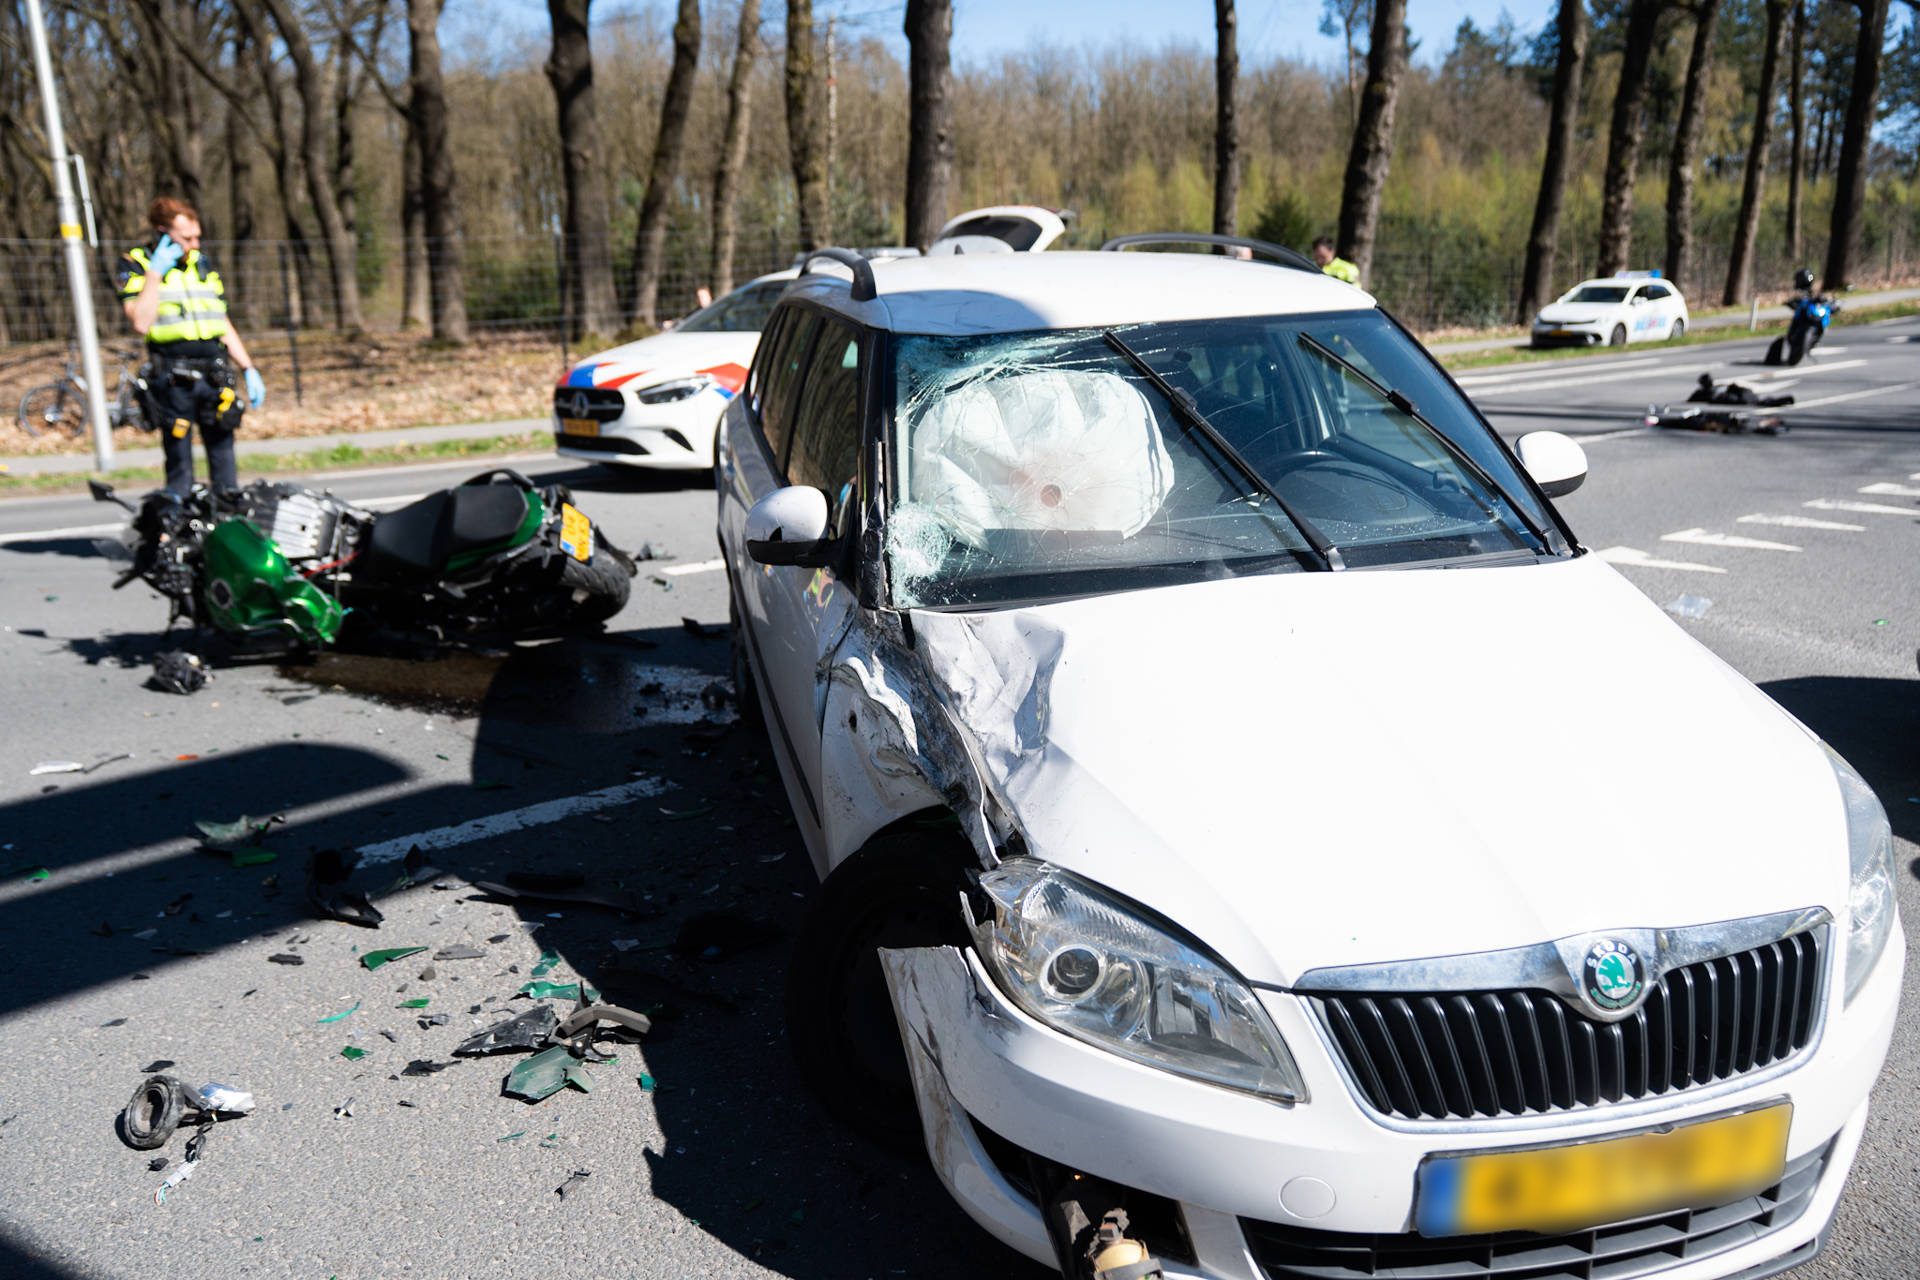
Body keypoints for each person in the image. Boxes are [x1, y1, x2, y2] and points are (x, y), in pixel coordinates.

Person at [117, 196, 266, 495]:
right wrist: (155, 273)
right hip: (173, 378)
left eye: (197, 237)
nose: (194, 244)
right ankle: (179, 516)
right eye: (186, 238)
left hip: (214, 373)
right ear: (162, 233)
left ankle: (226, 511)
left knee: (224, 455)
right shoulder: (137, 263)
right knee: (179, 464)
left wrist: (248, 367)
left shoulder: (202, 264)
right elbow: (141, 322)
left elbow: (220, 321)